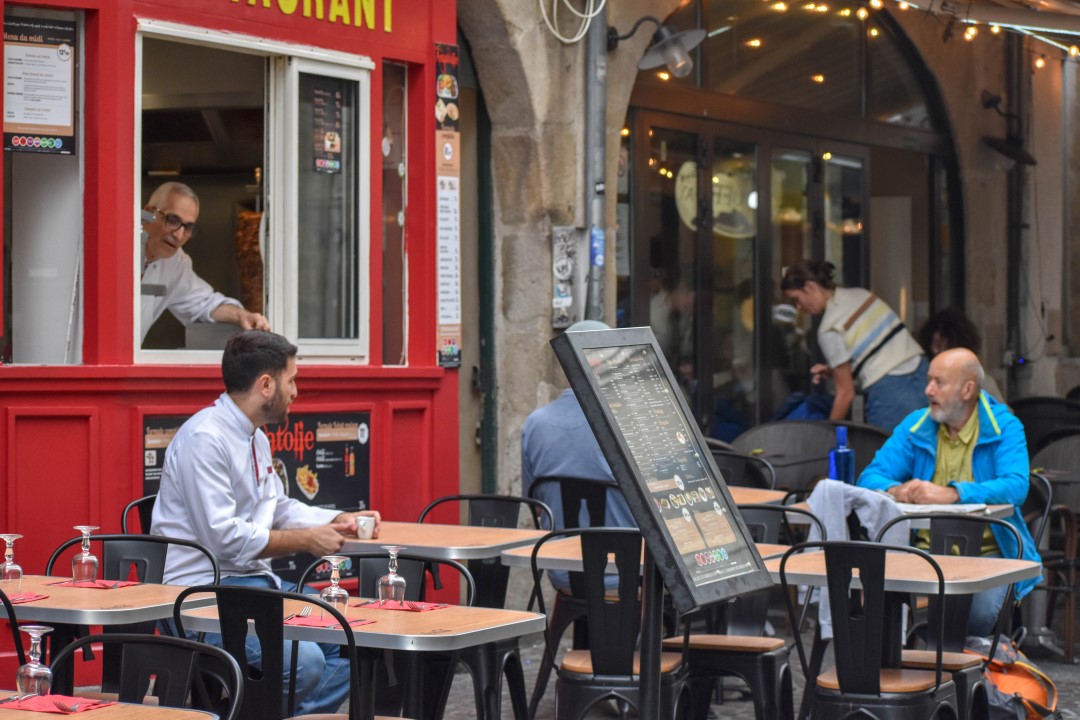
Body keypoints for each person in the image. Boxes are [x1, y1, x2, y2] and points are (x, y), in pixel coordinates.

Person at [151, 330, 381, 716]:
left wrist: (337, 519)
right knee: (305, 663)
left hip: (255, 587)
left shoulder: (254, 436)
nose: (296, 391)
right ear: (265, 384)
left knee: (357, 638)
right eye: (292, 380)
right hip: (200, 597)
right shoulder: (205, 438)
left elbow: (275, 506)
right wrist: (307, 540)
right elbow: (225, 539)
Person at [857, 347, 1041, 635]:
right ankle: (900, 672)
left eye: (939, 382)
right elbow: (869, 478)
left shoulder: (1004, 426)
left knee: (975, 617)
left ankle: (957, 673)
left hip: (990, 553)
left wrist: (954, 494)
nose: (928, 390)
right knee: (873, 601)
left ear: (967, 389)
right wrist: (897, 489)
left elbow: (1017, 486)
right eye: (929, 380)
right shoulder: (917, 425)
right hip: (921, 551)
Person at [520, 320, 636, 592]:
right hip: (630, 572)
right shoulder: (633, 425)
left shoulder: (536, 423)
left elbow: (537, 505)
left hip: (564, 574)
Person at [781, 259, 927, 432]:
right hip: (924, 373)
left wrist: (825, 434)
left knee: (893, 455)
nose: (799, 307)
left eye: (797, 299)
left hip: (890, 390)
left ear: (810, 287)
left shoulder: (829, 328)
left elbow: (845, 393)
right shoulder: (861, 294)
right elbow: (876, 346)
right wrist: (833, 369)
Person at [141, 181, 270, 343]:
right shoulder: (113, 249)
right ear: (148, 213)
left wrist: (242, 315)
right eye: (172, 220)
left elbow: (205, 304)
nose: (179, 235)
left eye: (187, 227)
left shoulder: (176, 263)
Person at [917, 307, 1004, 401]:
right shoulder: (923, 384)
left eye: (945, 347)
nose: (939, 352)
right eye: (935, 347)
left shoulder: (983, 383)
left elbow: (1000, 412)